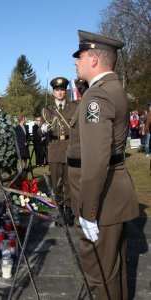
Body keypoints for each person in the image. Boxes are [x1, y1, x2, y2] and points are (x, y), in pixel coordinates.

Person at [67, 30, 139, 299]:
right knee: (113, 270)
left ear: (95, 59)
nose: (76, 62)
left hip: (101, 201)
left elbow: (95, 161)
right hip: (112, 195)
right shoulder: (112, 89)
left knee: (100, 274)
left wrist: (88, 211)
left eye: (81, 56)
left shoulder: (97, 97)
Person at [41, 77, 77, 226]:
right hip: (55, 148)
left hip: (70, 147)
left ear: (65, 91)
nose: (60, 92)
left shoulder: (74, 107)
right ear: (53, 92)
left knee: (69, 182)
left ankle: (69, 212)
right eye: (57, 90)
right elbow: (41, 130)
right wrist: (42, 129)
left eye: (62, 90)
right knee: (56, 183)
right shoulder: (47, 110)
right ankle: (60, 210)